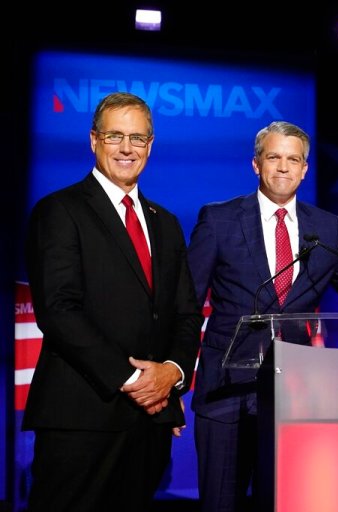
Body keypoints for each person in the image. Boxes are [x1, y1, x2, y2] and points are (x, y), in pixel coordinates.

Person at [23, 92, 203, 511]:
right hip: (82, 419)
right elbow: (59, 311)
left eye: (137, 138)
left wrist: (173, 373)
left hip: (149, 422)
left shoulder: (167, 223)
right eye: (115, 136)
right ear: (93, 140)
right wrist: (138, 381)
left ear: (151, 146)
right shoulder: (59, 211)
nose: (127, 148)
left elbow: (186, 313)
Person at [187, 120, 338, 511]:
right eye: (274, 157)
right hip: (226, 392)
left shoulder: (326, 226)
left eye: (294, 159)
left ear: (305, 169)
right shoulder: (218, 219)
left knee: (288, 502)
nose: (284, 167)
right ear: (256, 164)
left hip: (297, 395)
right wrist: (173, 379)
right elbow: (185, 305)